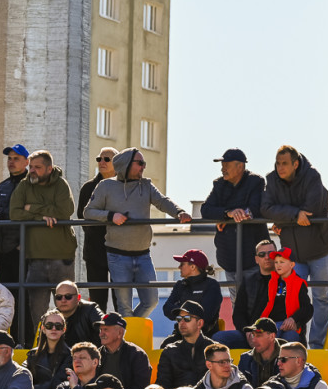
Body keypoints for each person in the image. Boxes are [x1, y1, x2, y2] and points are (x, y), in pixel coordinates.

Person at [84, 147, 192, 318]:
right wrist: (111, 216)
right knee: (124, 306)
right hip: (117, 255)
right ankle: (126, 337)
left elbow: (162, 201)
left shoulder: (146, 185)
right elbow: (88, 212)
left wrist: (179, 212)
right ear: (127, 164)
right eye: (140, 163)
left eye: (144, 163)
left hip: (143, 255)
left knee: (151, 300)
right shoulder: (105, 186)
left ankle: (129, 328)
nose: (143, 167)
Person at [260, 145, 328, 349]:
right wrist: (294, 215)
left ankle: (317, 346)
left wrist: (282, 217)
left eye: (284, 163)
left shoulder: (312, 176)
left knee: (321, 297)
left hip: (321, 248)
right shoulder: (271, 180)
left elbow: (311, 210)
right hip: (293, 252)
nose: (280, 167)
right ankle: (297, 343)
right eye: (277, 163)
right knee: (293, 296)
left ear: (295, 164)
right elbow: (266, 208)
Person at [9, 149, 77, 327]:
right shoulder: (24, 185)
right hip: (35, 258)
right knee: (37, 311)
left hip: (62, 257)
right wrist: (39, 217)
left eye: (37, 167)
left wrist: (32, 207)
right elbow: (14, 213)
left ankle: (69, 346)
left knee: (67, 308)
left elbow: (65, 211)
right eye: (31, 167)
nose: (32, 170)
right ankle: (41, 346)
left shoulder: (61, 184)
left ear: (49, 169)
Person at [199, 148, 268, 298]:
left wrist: (229, 216)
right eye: (222, 165)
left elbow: (255, 209)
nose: (223, 168)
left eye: (227, 165)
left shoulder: (256, 181)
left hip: (252, 256)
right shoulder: (219, 184)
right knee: (238, 305)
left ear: (240, 167)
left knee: (256, 304)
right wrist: (227, 214)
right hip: (229, 256)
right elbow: (205, 210)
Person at [76, 146, 118, 310]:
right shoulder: (88, 187)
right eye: (99, 159)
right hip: (94, 249)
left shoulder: (124, 186)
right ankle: (96, 334)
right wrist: (108, 216)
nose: (102, 162)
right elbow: (82, 214)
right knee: (97, 302)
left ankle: (120, 333)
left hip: (118, 249)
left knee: (120, 299)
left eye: (107, 159)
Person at [218, 239, 276, 348]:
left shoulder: (286, 280)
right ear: (256, 259)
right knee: (219, 337)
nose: (267, 257)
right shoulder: (249, 281)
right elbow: (238, 313)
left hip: (276, 332)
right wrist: (248, 331)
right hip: (252, 332)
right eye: (262, 254)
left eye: (271, 253)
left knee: (290, 335)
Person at [24, 308, 71, 389]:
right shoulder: (33, 355)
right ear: (43, 329)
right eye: (49, 325)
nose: (54, 329)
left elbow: (58, 383)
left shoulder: (70, 355)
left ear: (63, 330)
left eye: (58, 326)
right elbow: (22, 375)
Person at [155, 300, 216, 389]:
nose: (182, 322)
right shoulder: (169, 351)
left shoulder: (214, 350)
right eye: (179, 318)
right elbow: (162, 386)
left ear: (199, 323)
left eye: (187, 318)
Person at [162, 249, 221, 341]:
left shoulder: (212, 285)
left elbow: (206, 315)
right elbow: (166, 309)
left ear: (193, 267)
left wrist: (179, 309)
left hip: (205, 336)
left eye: (182, 264)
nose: (179, 267)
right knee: (166, 346)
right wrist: (193, 309)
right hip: (180, 335)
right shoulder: (180, 285)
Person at [96, 311, 152, 389]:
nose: (101, 334)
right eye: (100, 330)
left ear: (120, 333)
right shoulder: (96, 354)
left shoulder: (137, 355)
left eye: (105, 329)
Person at [258, 248, 313, 344]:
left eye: (282, 262)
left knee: (290, 335)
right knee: (274, 332)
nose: (278, 265)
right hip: (270, 324)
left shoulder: (299, 283)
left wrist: (294, 319)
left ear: (292, 265)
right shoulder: (270, 281)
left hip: (289, 327)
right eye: (276, 262)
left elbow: (307, 308)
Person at [0, 143, 30, 284]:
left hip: (22, 252)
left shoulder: (32, 186)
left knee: (23, 297)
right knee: (6, 296)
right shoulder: (2, 186)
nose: (11, 162)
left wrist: (23, 245)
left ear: (26, 162)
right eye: (9, 158)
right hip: (0, 250)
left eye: (16, 158)